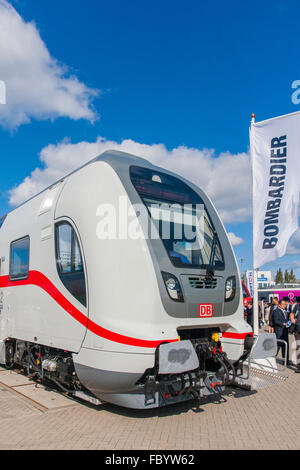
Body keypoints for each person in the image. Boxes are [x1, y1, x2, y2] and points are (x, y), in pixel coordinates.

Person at [290, 301, 300, 374]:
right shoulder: (297, 306)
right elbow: (292, 314)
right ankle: (299, 367)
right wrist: (292, 319)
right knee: (299, 348)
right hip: (298, 331)